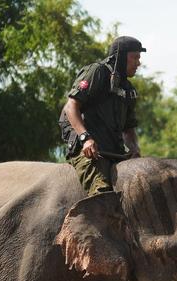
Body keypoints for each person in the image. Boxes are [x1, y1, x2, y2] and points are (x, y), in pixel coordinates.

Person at [59, 36, 145, 195]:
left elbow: (128, 128)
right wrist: (86, 138)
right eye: (135, 58)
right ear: (120, 57)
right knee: (103, 194)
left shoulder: (128, 88)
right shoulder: (97, 72)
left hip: (114, 152)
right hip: (87, 150)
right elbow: (71, 107)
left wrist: (134, 148)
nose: (138, 63)